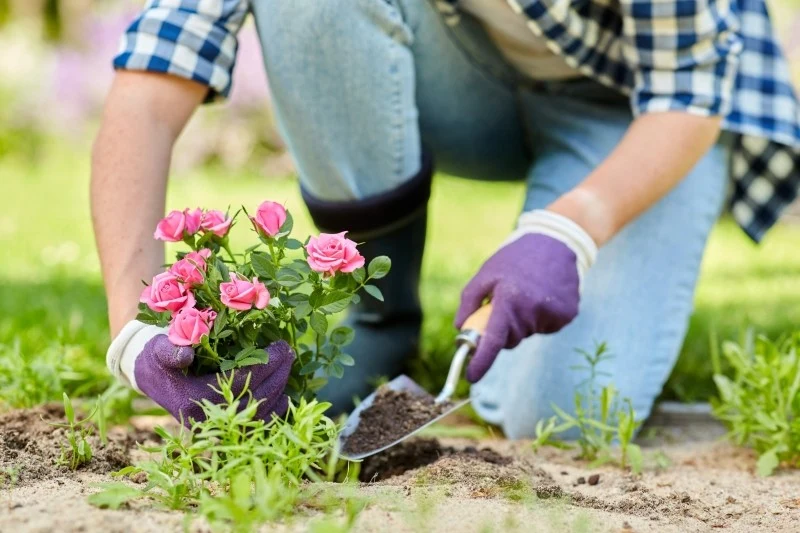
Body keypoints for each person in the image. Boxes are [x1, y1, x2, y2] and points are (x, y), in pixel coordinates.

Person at [94, 0, 800, 437]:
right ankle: (380, 322)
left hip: (634, 104)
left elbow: (689, 85)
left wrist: (571, 228)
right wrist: (135, 333)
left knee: (561, 410)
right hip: (466, 76)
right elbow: (156, 75)